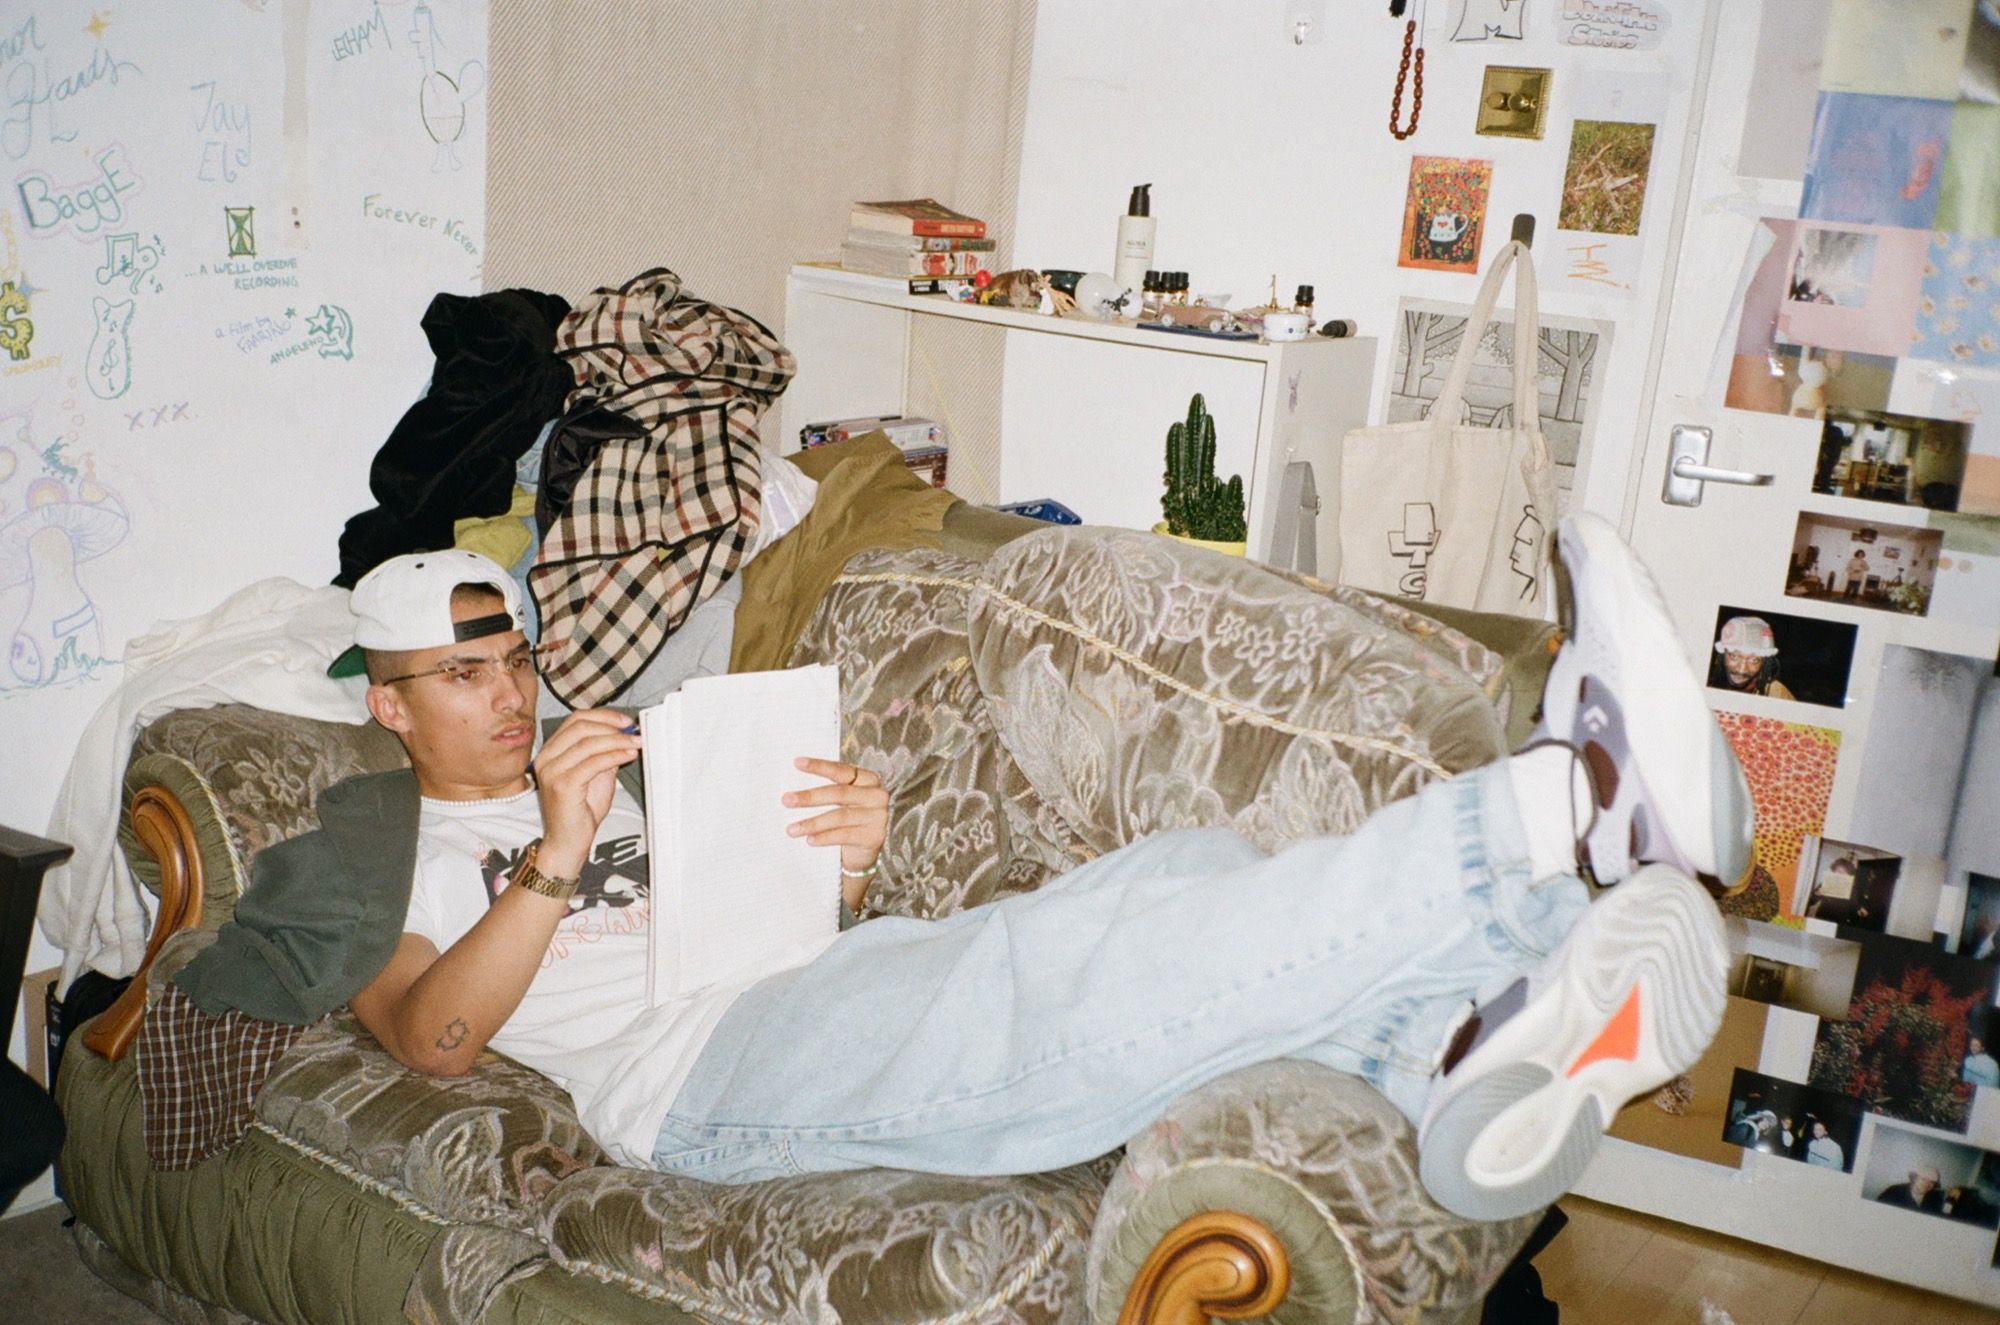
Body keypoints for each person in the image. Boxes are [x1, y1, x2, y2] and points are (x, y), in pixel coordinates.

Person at [272, 513, 1749, 1225]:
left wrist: (840, 869)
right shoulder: (377, 851)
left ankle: (1452, 1056)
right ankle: (1564, 812)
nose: (511, 694)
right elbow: (433, 1037)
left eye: (513, 658)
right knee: (1054, 975)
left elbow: (756, 926)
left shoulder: (614, 766)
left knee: (1173, 870)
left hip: (806, 991)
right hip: (694, 1086)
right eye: (462, 674)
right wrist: (553, 853)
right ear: (387, 705)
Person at [1708, 615, 1796, 701]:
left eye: (1754, 660)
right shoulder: (1705, 682)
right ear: (1722, 654)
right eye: (1734, 656)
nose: (1741, 670)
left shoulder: (1777, 693)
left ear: (1765, 663)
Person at [1875, 1166, 1945, 1213]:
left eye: (1932, 1182)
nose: (1927, 1184)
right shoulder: (1893, 1191)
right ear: (1914, 1178)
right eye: (1923, 1179)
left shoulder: (1934, 1198)